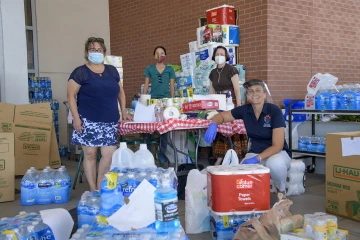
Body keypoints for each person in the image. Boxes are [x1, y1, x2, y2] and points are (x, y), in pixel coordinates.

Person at [204, 79, 291, 200]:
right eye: (250, 91)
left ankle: (281, 193)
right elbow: (222, 116)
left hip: (277, 153)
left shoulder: (274, 111)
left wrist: (258, 158)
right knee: (242, 173)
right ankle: (251, 200)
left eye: (258, 91)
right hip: (255, 152)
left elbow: (278, 145)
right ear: (247, 95)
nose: (254, 94)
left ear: (265, 94)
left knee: (275, 164)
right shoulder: (245, 110)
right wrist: (213, 124)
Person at [67, 37, 132, 191]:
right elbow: (70, 96)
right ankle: (93, 189)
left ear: (104, 52)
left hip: (110, 120)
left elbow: (120, 93)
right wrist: (76, 118)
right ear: (86, 52)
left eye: (99, 50)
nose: (96, 52)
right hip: (88, 120)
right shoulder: (80, 72)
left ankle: (100, 184)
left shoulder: (112, 71)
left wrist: (123, 111)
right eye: (92, 50)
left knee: (109, 155)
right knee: (90, 155)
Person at [143, 46, 176, 167]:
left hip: (166, 101)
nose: (159, 55)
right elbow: (146, 85)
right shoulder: (149, 69)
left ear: (165, 55)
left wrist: (172, 101)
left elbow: (172, 86)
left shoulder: (170, 69)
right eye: (157, 53)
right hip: (152, 101)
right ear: (154, 56)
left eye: (162, 53)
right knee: (149, 128)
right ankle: (148, 155)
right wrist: (144, 99)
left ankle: (162, 156)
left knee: (164, 130)